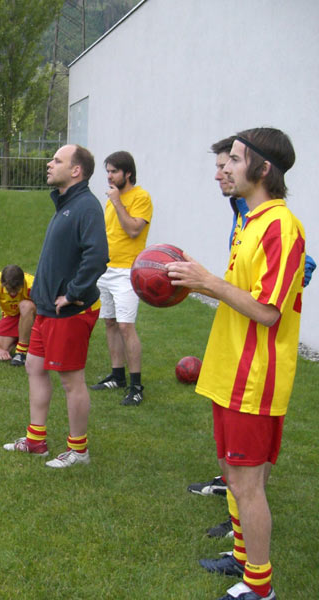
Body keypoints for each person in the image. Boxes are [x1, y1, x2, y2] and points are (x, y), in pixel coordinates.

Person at [169, 128, 305, 600]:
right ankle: (243, 559)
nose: (224, 168)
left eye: (236, 159)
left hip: (255, 378)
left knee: (248, 485)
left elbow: (268, 312)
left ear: (264, 169)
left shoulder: (281, 226)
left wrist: (208, 282)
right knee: (232, 474)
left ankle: (259, 587)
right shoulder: (251, 220)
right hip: (230, 371)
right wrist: (199, 278)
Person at [3, 144, 109, 469]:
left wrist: (74, 292)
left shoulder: (86, 206)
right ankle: (36, 441)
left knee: (70, 380)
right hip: (47, 310)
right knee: (34, 368)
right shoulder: (66, 204)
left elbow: (97, 256)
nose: (50, 164)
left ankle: (78, 450)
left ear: (76, 170)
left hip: (69, 312)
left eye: (57, 160)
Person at [90, 151, 153, 406]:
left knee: (126, 326)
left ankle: (136, 386)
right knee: (110, 322)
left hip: (128, 270)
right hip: (106, 269)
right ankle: (117, 376)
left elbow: (133, 229)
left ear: (128, 173)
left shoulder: (141, 197)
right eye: (107, 171)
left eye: (114, 171)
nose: (109, 176)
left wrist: (117, 202)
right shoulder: (111, 200)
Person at [0, 264, 35, 366]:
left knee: (25, 306)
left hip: (32, 317)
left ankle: (21, 353)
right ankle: (23, 338)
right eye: (9, 290)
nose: (13, 294)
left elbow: (45, 309)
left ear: (22, 283)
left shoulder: (32, 284)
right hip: (11, 317)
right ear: (2, 283)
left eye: (16, 290)